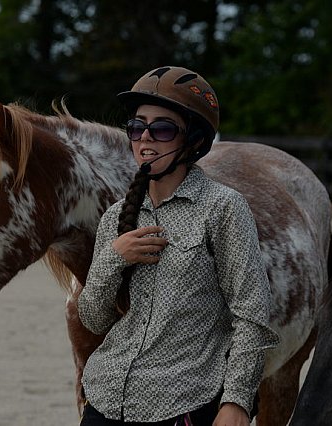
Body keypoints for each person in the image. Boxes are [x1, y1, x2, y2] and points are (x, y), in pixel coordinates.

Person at [77, 66, 279, 426]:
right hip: (106, 397)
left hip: (184, 402)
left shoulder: (222, 208)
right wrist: (114, 259)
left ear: (195, 141)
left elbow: (251, 312)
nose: (145, 139)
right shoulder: (115, 218)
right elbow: (93, 319)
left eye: (163, 128)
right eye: (137, 127)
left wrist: (237, 401)